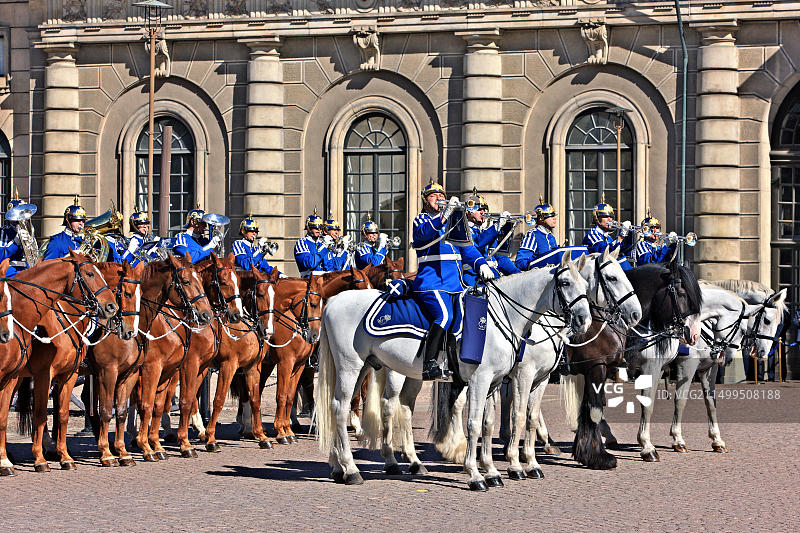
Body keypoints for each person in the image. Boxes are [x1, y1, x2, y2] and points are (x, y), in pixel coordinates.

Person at [412, 179, 493, 380]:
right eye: (433, 196)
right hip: (432, 282)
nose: (439, 199)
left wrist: (480, 263)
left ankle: (455, 362)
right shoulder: (421, 220)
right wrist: (443, 216)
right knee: (444, 316)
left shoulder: (455, 223)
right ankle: (429, 363)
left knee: (464, 318)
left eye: (441, 196)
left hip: (455, 283)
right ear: (424, 201)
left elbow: (467, 248)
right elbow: (423, 235)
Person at [461, 189, 519, 286]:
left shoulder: (486, 232)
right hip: (474, 279)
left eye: (484, 209)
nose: (483, 212)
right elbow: (476, 244)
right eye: (479, 209)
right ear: (468, 211)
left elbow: (501, 258)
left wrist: (518, 274)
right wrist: (497, 227)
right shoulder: (464, 229)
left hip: (494, 277)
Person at [582, 196, 634, 270]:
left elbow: (622, 250)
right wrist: (621, 236)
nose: (610, 219)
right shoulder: (592, 234)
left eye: (611, 217)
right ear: (596, 219)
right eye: (605, 216)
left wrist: (628, 235)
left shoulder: (608, 237)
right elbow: (605, 253)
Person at [515, 196, 559, 271]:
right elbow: (520, 262)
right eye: (550, 216)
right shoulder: (533, 235)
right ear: (541, 218)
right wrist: (539, 262)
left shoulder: (551, 236)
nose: (554, 218)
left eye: (554, 215)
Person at [0, 192, 35, 277]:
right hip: (10, 273)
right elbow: (1, 256)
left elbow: (34, 255)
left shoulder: (28, 231)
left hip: (27, 271)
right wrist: (15, 242)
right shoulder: (3, 232)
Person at [43, 195, 86, 260]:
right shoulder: (57, 241)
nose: (81, 223)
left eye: (83, 220)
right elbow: (48, 266)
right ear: (67, 221)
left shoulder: (84, 241)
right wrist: (67, 257)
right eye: (76, 220)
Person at [294, 209, 332, 277]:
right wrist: (324, 247)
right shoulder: (302, 243)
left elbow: (329, 267)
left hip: (324, 281)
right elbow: (310, 263)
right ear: (309, 228)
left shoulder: (322, 244)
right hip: (309, 280)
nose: (319, 230)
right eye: (316, 228)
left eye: (320, 227)